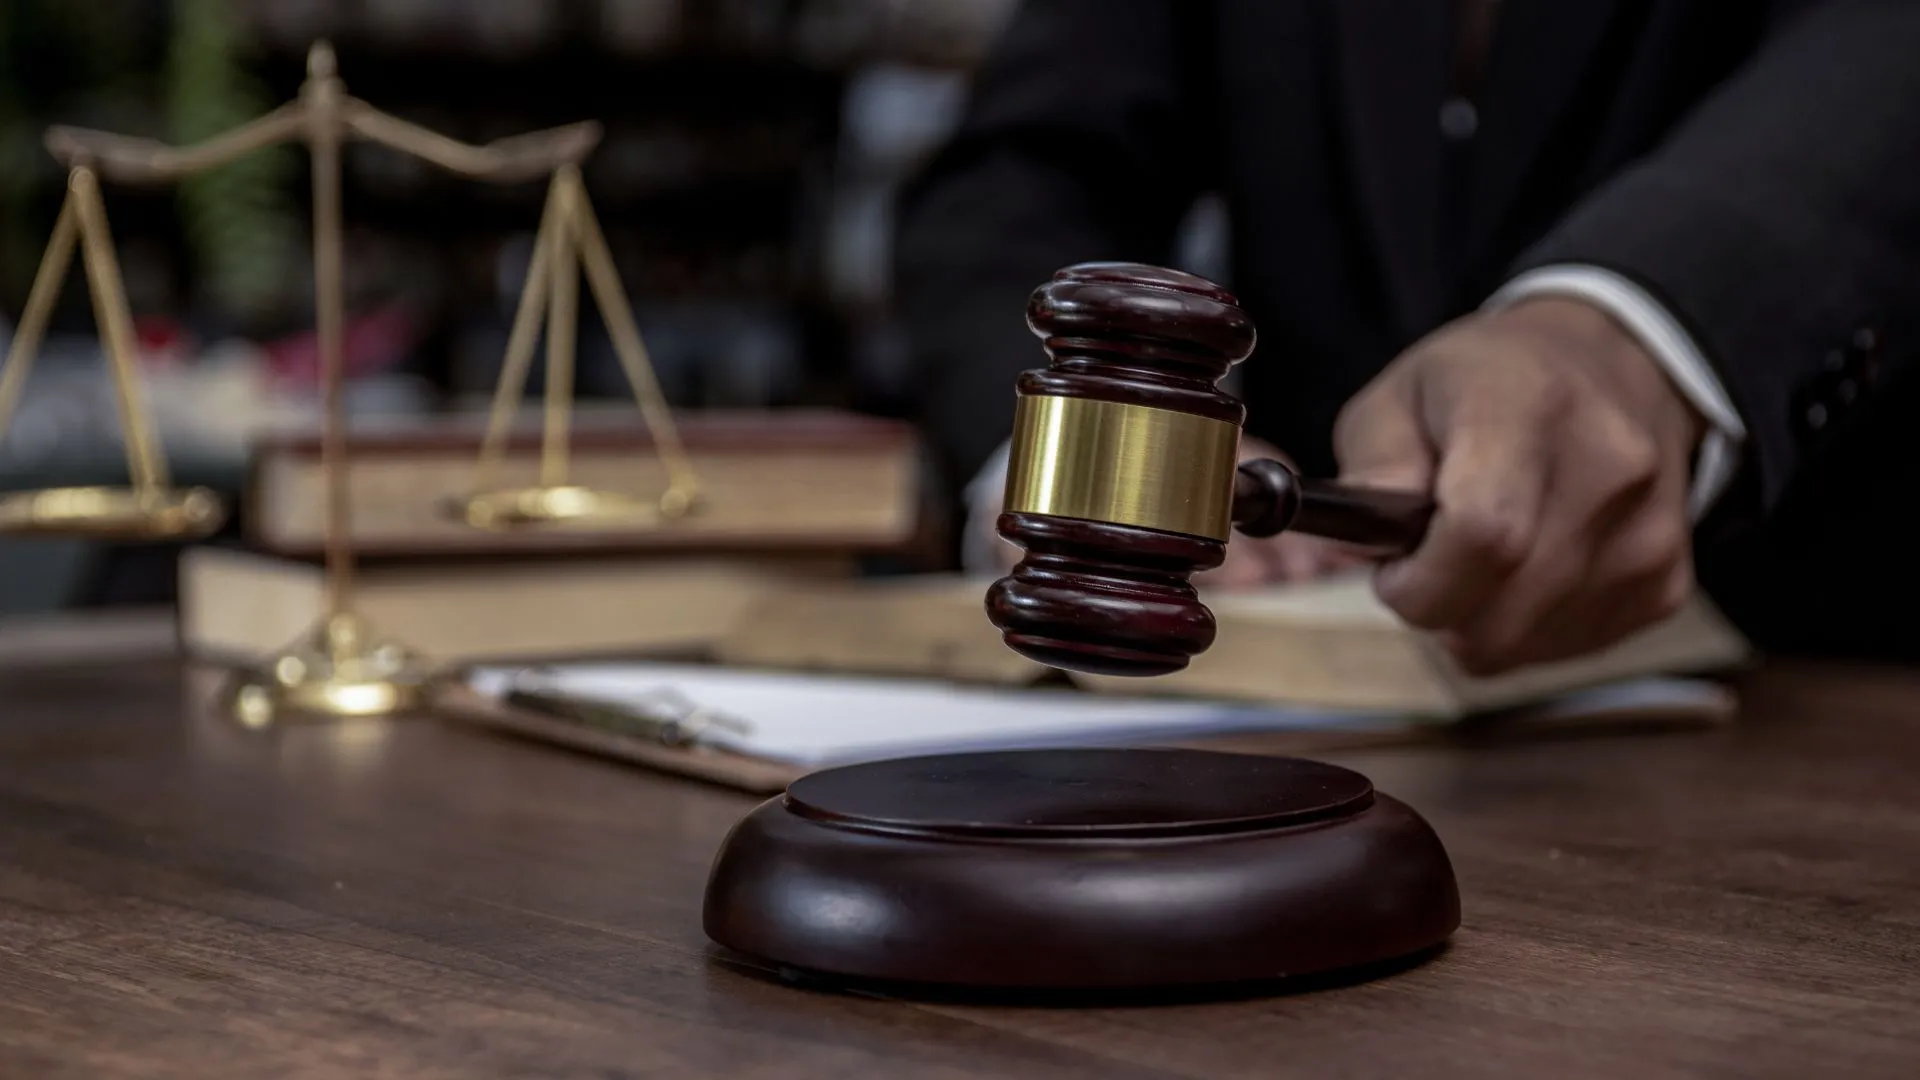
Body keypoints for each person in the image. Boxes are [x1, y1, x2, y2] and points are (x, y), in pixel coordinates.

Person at [892, 0, 1920, 673]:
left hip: (1821, 690)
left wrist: (1640, 318)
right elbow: (1017, 184)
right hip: (1295, 698)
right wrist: (1080, 451)